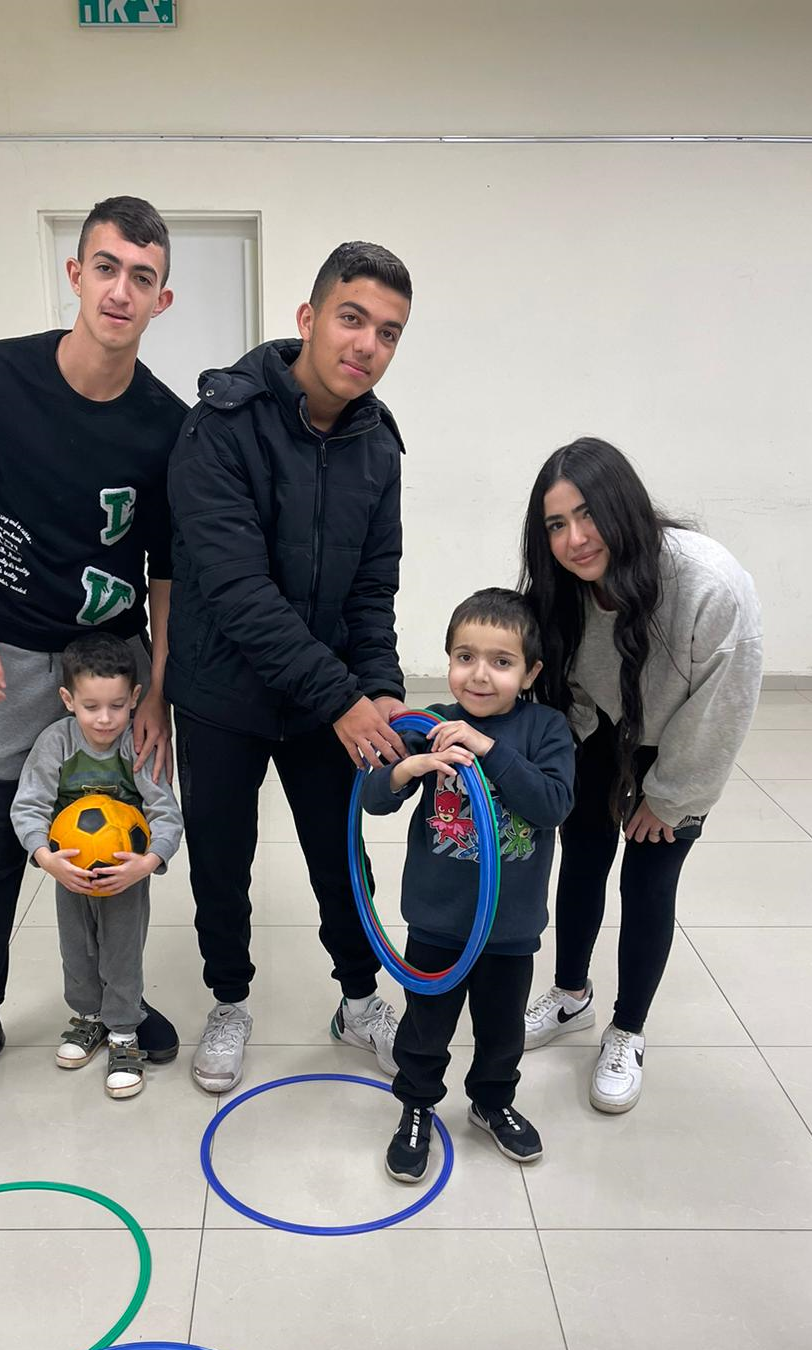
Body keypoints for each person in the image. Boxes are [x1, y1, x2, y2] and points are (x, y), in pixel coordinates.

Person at [0, 195, 187, 1109]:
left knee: (119, 843)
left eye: (141, 277)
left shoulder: (169, 422)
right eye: (105, 268)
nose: (120, 290)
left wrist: (157, 689)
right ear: (76, 274)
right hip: (8, 655)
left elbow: (166, 569)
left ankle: (118, 1002)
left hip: (113, 671)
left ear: (162, 300)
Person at [166, 241, 415, 1094]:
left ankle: (360, 1001)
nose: (367, 345)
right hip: (222, 691)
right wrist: (345, 695)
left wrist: (380, 684)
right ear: (308, 319)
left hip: (322, 701)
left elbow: (373, 586)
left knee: (342, 860)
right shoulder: (220, 425)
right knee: (221, 860)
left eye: (388, 332)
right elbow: (237, 591)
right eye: (352, 318)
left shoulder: (378, 446)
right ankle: (229, 1001)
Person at [520, 437, 763, 1113]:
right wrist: (553, 763)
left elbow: (722, 708)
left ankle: (627, 1030)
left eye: (587, 514)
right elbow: (565, 684)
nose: (574, 539)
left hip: (682, 738)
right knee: (582, 857)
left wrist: (671, 795)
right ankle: (571, 996)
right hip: (599, 726)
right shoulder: (562, 587)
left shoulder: (709, 585)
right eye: (556, 524)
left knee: (649, 879)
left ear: (624, 504)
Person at [361, 589, 575, 1181]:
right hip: (438, 919)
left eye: (501, 662)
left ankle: (492, 1100)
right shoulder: (428, 726)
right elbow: (372, 798)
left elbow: (553, 804)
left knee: (502, 1029)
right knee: (425, 1026)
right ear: (449, 659)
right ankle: (416, 1104)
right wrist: (405, 769)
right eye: (465, 657)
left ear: (530, 673)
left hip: (510, 925)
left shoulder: (546, 728)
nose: (479, 674)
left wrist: (488, 749)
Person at [10, 635, 183, 1099]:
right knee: (77, 951)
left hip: (125, 879)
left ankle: (124, 1033)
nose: (104, 718)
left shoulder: (137, 745)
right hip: (70, 875)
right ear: (68, 700)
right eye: (91, 707)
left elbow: (166, 812)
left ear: (135, 698)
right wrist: (46, 858)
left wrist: (147, 862)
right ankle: (89, 1018)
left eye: (116, 706)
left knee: (121, 955)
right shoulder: (56, 743)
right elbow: (28, 807)